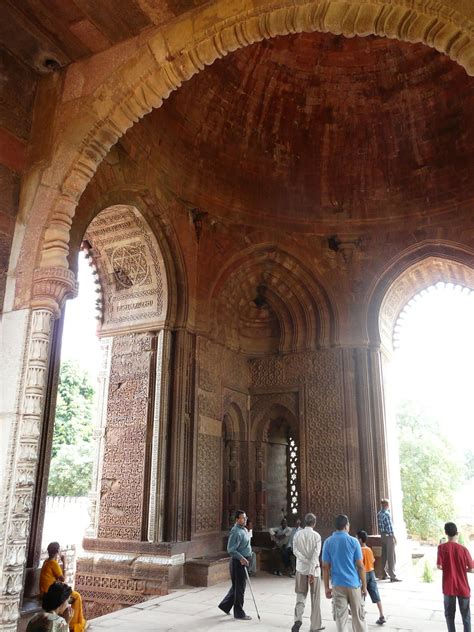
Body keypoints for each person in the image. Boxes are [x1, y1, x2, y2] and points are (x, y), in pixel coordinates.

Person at [322, 514, 368, 632]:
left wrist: (327, 587)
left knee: (341, 620)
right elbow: (361, 566)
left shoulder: (328, 542)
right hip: (353, 584)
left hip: (338, 585)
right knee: (358, 618)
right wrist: (364, 586)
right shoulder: (354, 541)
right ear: (346, 525)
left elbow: (325, 568)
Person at [40, 542, 87, 632]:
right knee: (77, 596)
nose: (67, 603)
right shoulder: (53, 563)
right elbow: (63, 579)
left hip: (48, 590)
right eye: (66, 601)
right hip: (52, 591)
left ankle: (77, 624)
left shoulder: (46, 561)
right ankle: (74, 626)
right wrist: (64, 562)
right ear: (58, 551)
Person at [437, 521, 473, 632]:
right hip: (463, 587)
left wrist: (448, 568)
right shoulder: (464, 550)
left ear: (446, 533)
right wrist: (462, 569)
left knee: (449, 615)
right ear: (457, 533)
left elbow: (439, 566)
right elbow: (471, 569)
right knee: (466, 617)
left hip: (448, 587)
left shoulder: (441, 548)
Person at [291, 513, 324, 632]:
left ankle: (298, 619)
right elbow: (316, 555)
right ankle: (315, 625)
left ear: (305, 522)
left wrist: (304, 560)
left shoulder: (297, 535)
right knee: (315, 598)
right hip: (314, 571)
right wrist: (311, 569)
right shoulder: (317, 536)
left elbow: (295, 551)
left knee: (300, 596)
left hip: (301, 569)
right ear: (314, 523)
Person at [218, 509, 252, 620]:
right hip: (238, 562)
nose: (245, 519)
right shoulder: (236, 531)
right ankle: (239, 613)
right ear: (237, 519)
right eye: (243, 518)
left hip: (244, 560)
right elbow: (231, 549)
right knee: (240, 588)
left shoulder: (244, 530)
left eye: (245, 517)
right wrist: (241, 558)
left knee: (236, 587)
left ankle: (225, 605)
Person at [357, 530, 386, 626]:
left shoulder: (359, 550)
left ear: (360, 540)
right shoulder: (369, 549)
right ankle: (382, 615)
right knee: (376, 594)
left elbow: (359, 565)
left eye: (357, 538)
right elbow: (373, 560)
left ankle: (361, 613)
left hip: (363, 574)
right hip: (371, 573)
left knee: (361, 594)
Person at [376, 499, 401, 582]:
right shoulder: (386, 514)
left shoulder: (379, 514)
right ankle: (392, 575)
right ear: (387, 505)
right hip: (388, 536)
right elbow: (390, 527)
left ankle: (383, 573)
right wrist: (394, 537)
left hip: (382, 536)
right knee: (391, 556)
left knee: (384, 555)